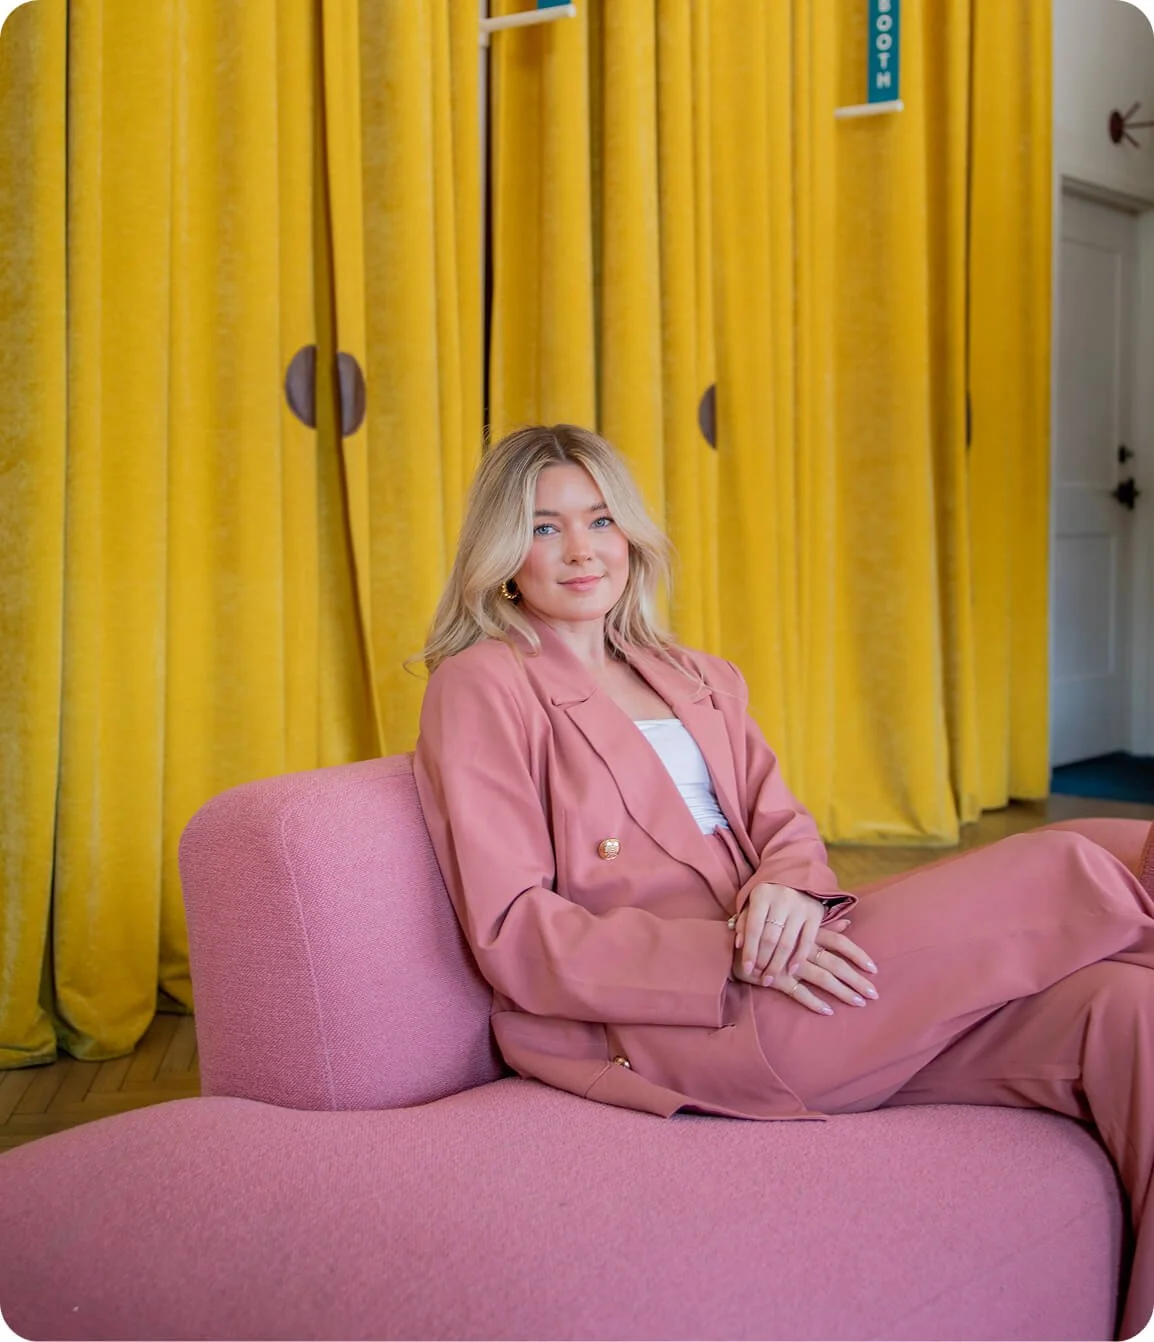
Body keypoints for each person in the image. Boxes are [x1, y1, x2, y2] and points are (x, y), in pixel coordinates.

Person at [413, 423, 1154, 1339]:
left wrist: (791, 892)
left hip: (807, 968)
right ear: (500, 551)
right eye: (542, 527)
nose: (580, 550)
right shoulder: (483, 685)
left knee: (1124, 1011)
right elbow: (514, 931)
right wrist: (727, 956)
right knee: (1070, 864)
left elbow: (786, 829)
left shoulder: (699, 677)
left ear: (632, 533)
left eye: (600, 519)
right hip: (697, 1017)